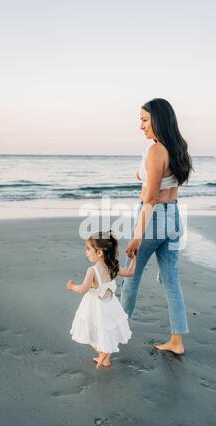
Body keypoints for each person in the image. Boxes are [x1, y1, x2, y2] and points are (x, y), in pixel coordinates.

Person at [121, 98, 194, 355]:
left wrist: (136, 236)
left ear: (158, 119)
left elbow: (150, 197)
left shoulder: (155, 151)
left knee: (131, 275)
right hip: (173, 216)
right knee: (171, 280)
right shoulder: (177, 148)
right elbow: (157, 181)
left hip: (153, 218)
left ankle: (115, 332)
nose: (140, 125)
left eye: (144, 119)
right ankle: (177, 341)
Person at [66, 230, 136, 368]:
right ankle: (105, 358)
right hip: (110, 305)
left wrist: (72, 286)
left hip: (95, 306)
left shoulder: (92, 270)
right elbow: (130, 272)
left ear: (99, 253)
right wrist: (134, 259)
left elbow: (83, 289)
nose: (86, 252)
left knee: (90, 332)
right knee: (105, 331)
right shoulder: (113, 266)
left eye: (88, 249)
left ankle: (101, 352)